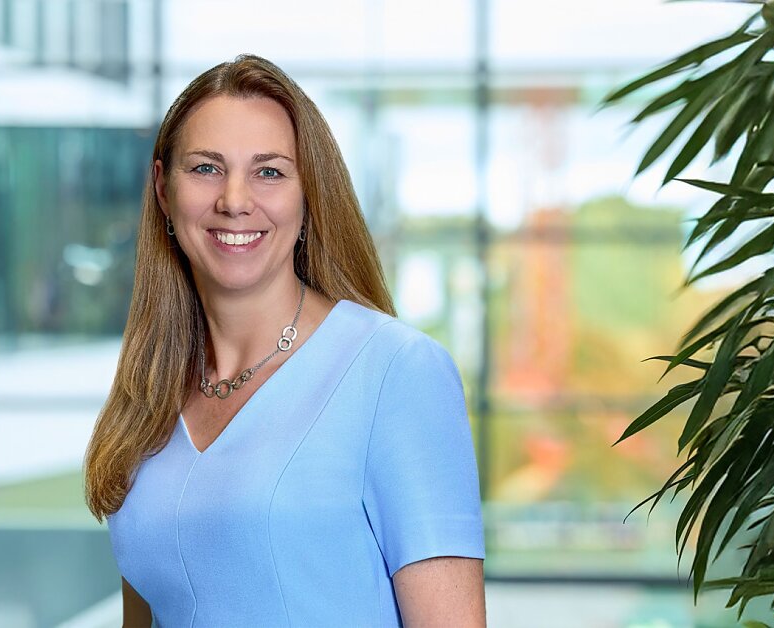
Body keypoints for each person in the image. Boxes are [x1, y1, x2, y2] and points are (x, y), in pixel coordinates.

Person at [83, 54, 486, 627]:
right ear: (163, 189)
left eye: (269, 171)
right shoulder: (147, 396)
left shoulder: (396, 371)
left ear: (307, 194)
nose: (235, 199)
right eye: (205, 168)